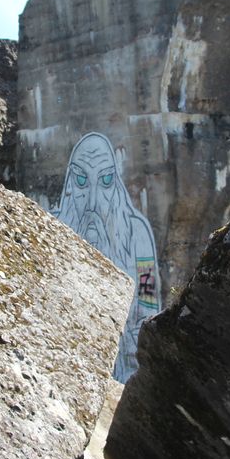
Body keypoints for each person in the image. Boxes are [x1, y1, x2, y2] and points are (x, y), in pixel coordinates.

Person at [54, 133, 160, 381]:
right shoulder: (52, 226)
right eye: (82, 181)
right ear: (70, 183)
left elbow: (148, 303)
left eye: (105, 180)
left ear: (115, 184)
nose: (93, 200)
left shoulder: (138, 235)